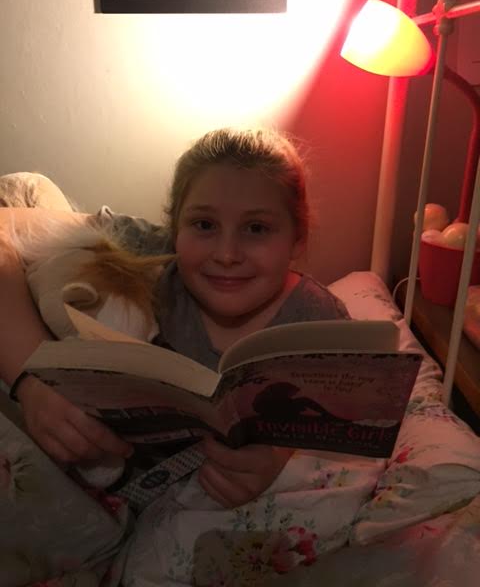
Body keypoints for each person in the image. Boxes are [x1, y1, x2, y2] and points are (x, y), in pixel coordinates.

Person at [0, 127, 349, 508]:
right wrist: (30, 380)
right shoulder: (156, 252)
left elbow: (342, 422)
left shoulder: (319, 322)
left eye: (256, 228)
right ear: (175, 227)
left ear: (297, 239)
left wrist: (279, 457)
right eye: (204, 225)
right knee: (27, 197)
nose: (227, 255)